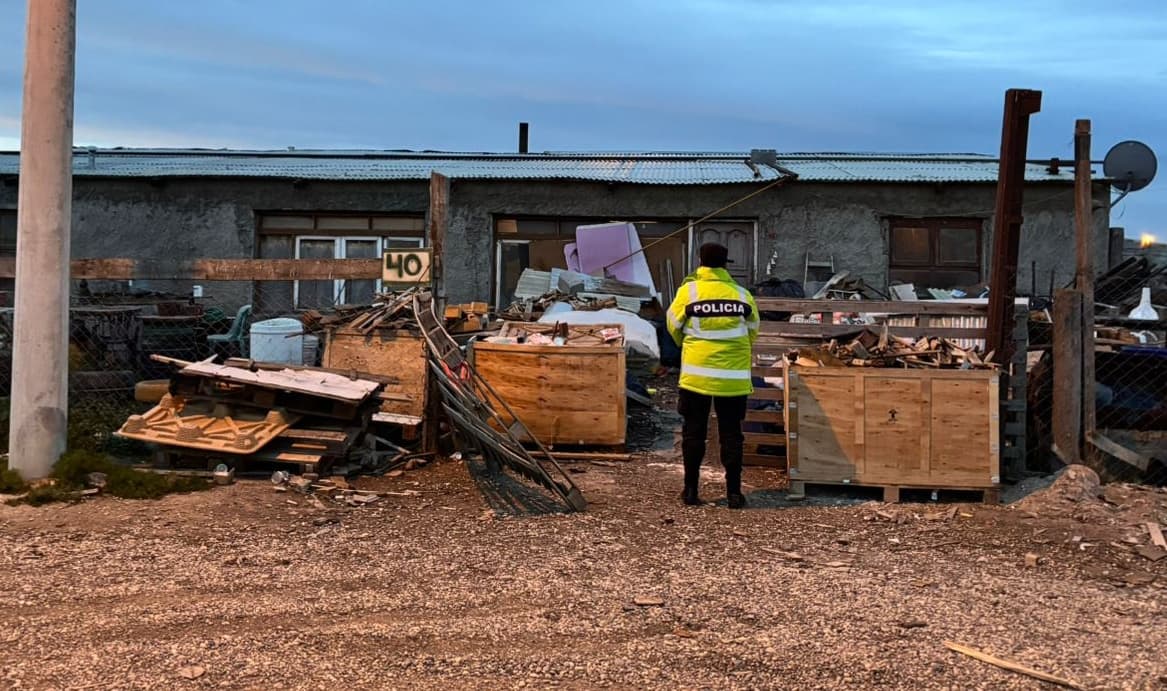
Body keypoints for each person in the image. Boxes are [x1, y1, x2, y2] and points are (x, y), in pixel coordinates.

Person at [666, 242, 759, 508]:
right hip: (733, 379)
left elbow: (673, 327)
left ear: (700, 262)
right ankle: (733, 494)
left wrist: (692, 345)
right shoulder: (742, 295)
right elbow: (753, 331)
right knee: (732, 434)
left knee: (693, 433)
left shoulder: (689, 292)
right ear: (726, 264)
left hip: (696, 377)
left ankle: (691, 491)